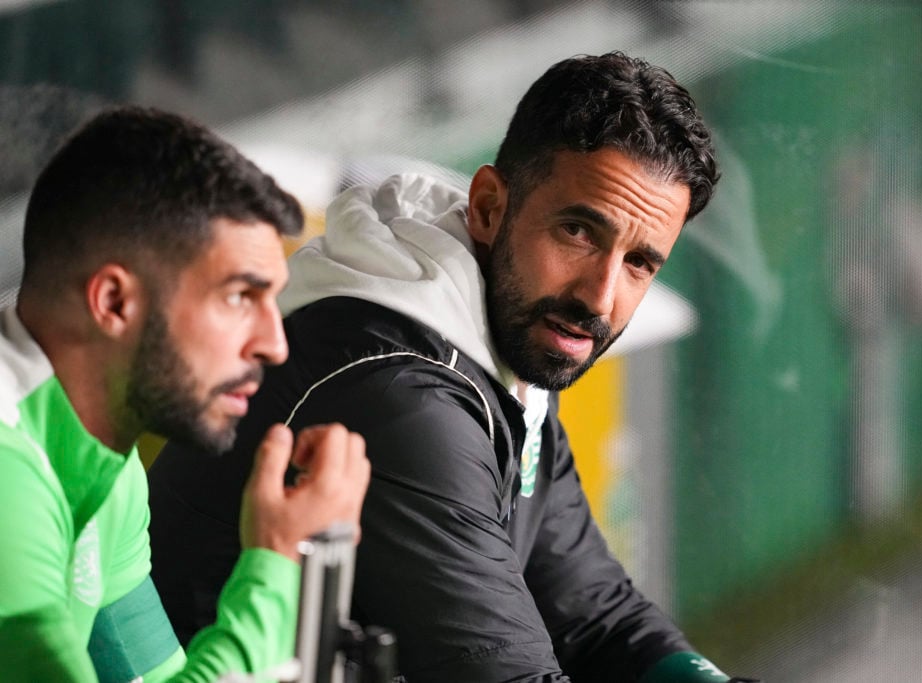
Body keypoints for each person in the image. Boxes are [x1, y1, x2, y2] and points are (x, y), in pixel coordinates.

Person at [148, 53, 753, 682]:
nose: (599, 298)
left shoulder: (509, 337)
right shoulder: (403, 395)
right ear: (489, 206)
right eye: (578, 232)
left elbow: (595, 616)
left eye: (639, 264)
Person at [0, 106, 371, 681]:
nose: (274, 344)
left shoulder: (107, 463)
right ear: (114, 303)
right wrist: (276, 564)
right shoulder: (7, 469)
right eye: (237, 298)